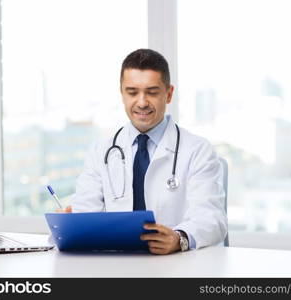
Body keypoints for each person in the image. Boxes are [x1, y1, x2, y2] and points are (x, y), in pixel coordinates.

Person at [61, 49, 227, 255]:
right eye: (132, 92)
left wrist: (179, 238)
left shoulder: (198, 150)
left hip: (175, 267)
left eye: (152, 92)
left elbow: (211, 219)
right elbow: (85, 212)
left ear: (168, 94)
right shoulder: (100, 151)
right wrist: (73, 224)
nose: (141, 102)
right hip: (116, 266)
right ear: (121, 93)